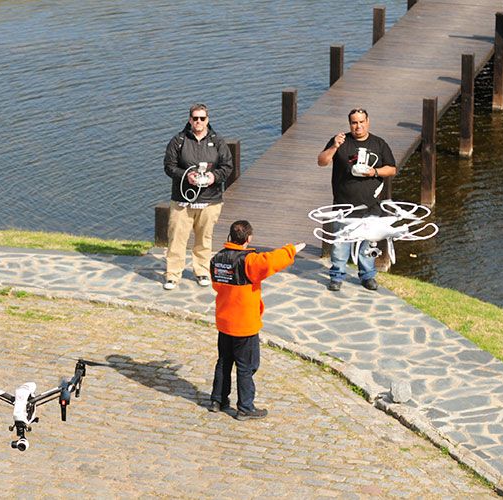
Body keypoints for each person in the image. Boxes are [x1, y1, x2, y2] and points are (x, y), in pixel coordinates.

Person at [208, 220, 306, 420]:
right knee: (247, 366)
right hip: (244, 324)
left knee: (224, 362)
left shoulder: (216, 259)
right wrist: (291, 250)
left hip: (224, 320)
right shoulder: (250, 261)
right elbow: (271, 260)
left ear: (230, 237)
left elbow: (216, 285)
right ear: (249, 238)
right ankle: (245, 407)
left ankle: (217, 400)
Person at [316, 107, 397, 292]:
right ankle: (337, 276)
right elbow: (321, 161)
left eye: (361, 122)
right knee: (340, 243)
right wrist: (334, 146)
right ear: (349, 124)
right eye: (354, 122)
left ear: (367, 122)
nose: (358, 126)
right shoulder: (340, 141)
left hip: (371, 206)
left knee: (368, 243)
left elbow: (392, 169)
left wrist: (374, 171)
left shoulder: (379, 143)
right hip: (344, 206)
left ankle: (367, 276)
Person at [163, 103, 233, 291]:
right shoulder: (178, 140)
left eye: (202, 118)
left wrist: (213, 177)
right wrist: (187, 175)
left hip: (210, 200)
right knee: (177, 238)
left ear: (207, 120)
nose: (198, 122)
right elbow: (169, 167)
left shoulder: (218, 141)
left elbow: (227, 167)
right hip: (182, 200)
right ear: (189, 119)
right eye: (195, 118)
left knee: (204, 238)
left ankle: (202, 271)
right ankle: (172, 274)